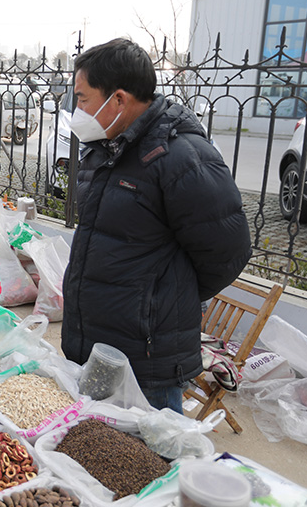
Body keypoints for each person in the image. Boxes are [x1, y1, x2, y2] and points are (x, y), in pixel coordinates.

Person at [59, 38, 251, 413]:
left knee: (153, 461)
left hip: (147, 356)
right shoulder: (104, 147)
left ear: (118, 100)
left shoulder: (182, 157)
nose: (75, 109)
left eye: (82, 99)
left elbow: (227, 251)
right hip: (92, 340)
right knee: (94, 450)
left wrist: (158, 299)